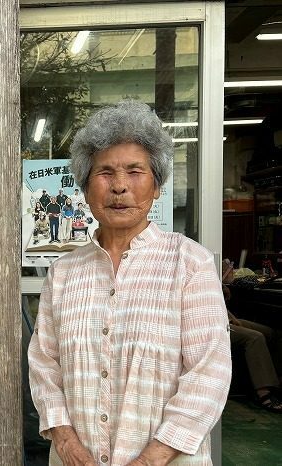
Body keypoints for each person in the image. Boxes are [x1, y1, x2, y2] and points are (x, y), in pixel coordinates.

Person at [28, 100, 231, 466]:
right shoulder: (63, 274)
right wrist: (67, 443)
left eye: (135, 171)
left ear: (157, 186)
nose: (119, 187)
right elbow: (45, 365)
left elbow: (209, 372)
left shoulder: (189, 264)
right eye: (105, 173)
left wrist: (151, 459)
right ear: (86, 188)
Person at [223, 285, 282, 412]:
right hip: (214, 324)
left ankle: (276, 382)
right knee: (255, 338)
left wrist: (232, 318)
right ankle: (263, 392)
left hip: (226, 317)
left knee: (273, 334)